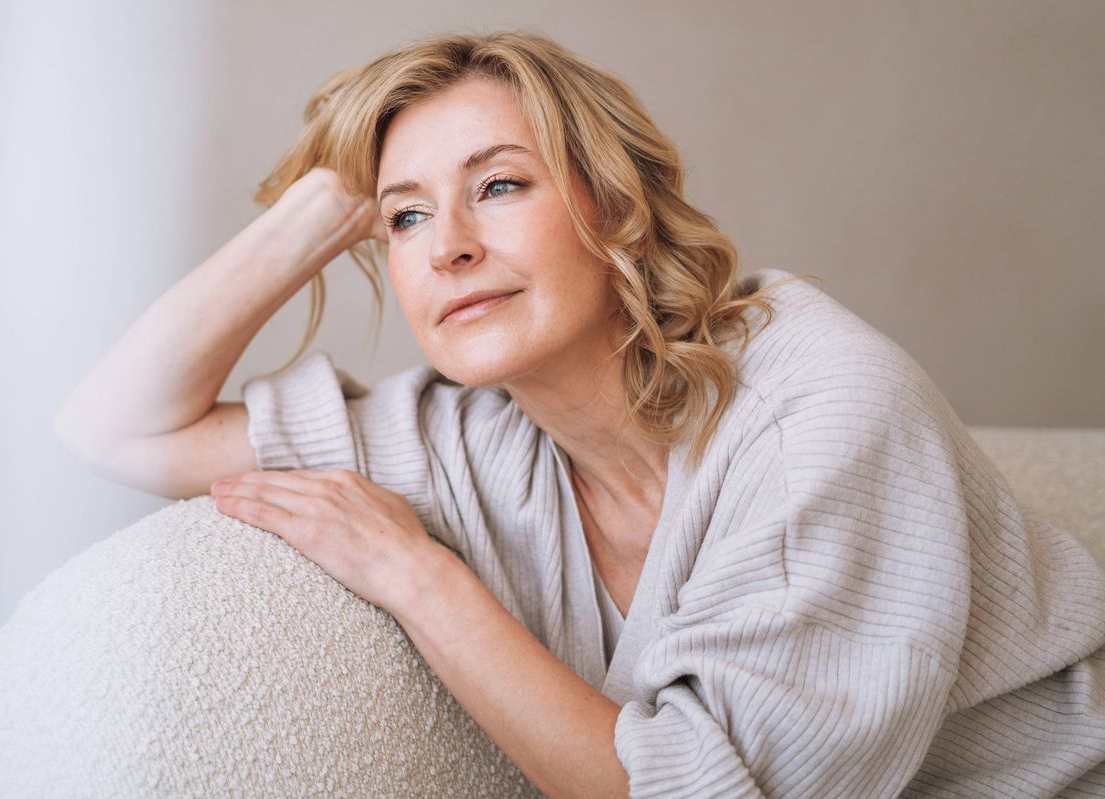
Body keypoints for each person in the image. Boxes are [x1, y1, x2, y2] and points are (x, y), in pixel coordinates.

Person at [54, 30, 1105, 798]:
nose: (448, 245)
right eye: (407, 217)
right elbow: (118, 427)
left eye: (500, 187)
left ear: (616, 209)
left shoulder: (819, 413)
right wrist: (325, 204)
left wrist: (422, 578)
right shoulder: (476, 437)